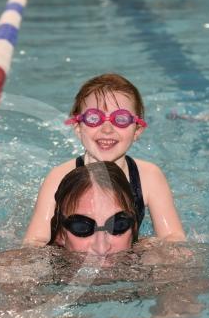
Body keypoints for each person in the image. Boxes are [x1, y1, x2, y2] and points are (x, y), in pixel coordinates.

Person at [0, 163, 207, 318]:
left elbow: (186, 306)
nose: (101, 246)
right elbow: (2, 313)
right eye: (82, 227)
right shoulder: (34, 264)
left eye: (118, 225)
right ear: (60, 234)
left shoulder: (157, 259)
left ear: (134, 228)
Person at [23, 73, 186, 247]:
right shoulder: (59, 176)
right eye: (94, 118)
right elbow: (36, 240)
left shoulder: (149, 176)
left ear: (137, 130)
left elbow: (172, 236)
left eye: (120, 119)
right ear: (78, 127)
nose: (107, 129)